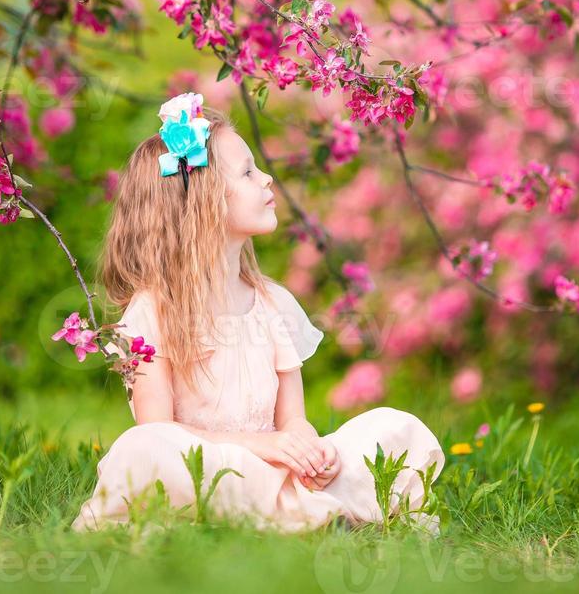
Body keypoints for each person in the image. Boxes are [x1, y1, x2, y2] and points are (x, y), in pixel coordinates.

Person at [71, 92, 445, 534]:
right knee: (143, 448)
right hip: (208, 473)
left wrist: (307, 451)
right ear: (203, 204)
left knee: (392, 426)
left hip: (280, 474)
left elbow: (293, 420)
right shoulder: (152, 312)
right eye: (248, 172)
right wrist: (263, 446)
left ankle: (305, 508)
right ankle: (315, 516)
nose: (267, 178)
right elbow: (160, 431)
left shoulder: (274, 304)